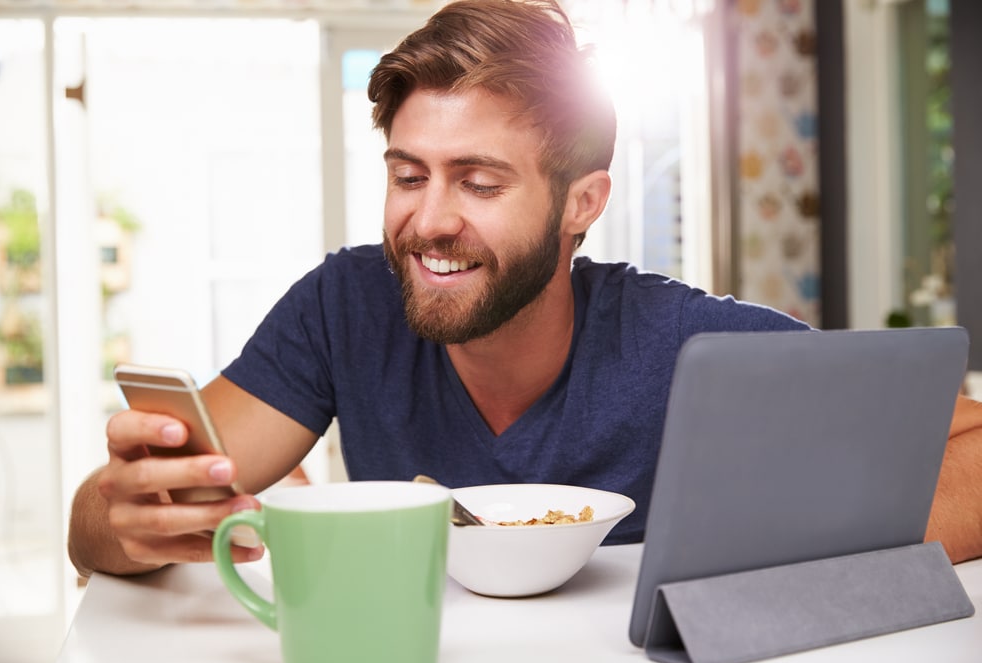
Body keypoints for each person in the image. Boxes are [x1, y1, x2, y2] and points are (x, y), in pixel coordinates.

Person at [67, 0, 982, 578]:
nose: (428, 220)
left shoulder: (684, 339)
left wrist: (768, 545)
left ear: (581, 202)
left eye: (479, 180)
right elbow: (114, 516)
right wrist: (126, 516)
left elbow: (972, 453)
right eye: (409, 173)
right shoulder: (343, 306)